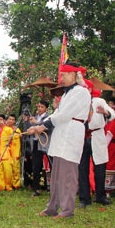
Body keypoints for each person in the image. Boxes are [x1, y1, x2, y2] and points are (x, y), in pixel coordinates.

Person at [27, 62, 91, 218]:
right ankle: (52, 207)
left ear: (73, 74)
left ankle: (67, 210)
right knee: (56, 174)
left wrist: (43, 126)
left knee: (68, 175)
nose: (61, 77)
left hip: (72, 133)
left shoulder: (81, 92)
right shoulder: (68, 93)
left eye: (63, 74)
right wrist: (37, 126)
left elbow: (65, 114)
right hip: (62, 133)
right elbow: (57, 113)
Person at [78, 83, 115, 208]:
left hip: (96, 135)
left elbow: (112, 113)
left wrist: (105, 111)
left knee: (100, 167)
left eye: (87, 88)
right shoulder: (78, 102)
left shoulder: (99, 101)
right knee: (82, 167)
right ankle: (84, 198)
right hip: (82, 136)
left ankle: (100, 196)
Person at [29, 100, 51, 197]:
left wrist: (36, 123)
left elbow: (46, 127)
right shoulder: (35, 117)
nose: (39, 109)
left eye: (42, 107)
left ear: (46, 108)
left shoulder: (48, 117)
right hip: (35, 142)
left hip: (45, 143)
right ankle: (36, 188)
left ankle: (53, 186)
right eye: (39, 107)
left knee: (52, 164)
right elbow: (30, 129)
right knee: (36, 166)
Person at [6, 114, 22, 189]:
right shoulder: (5, 129)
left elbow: (20, 142)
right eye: (10, 119)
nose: (11, 121)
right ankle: (8, 183)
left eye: (13, 119)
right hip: (6, 152)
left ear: (15, 121)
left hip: (15, 152)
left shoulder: (17, 130)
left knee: (16, 168)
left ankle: (16, 184)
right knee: (8, 168)